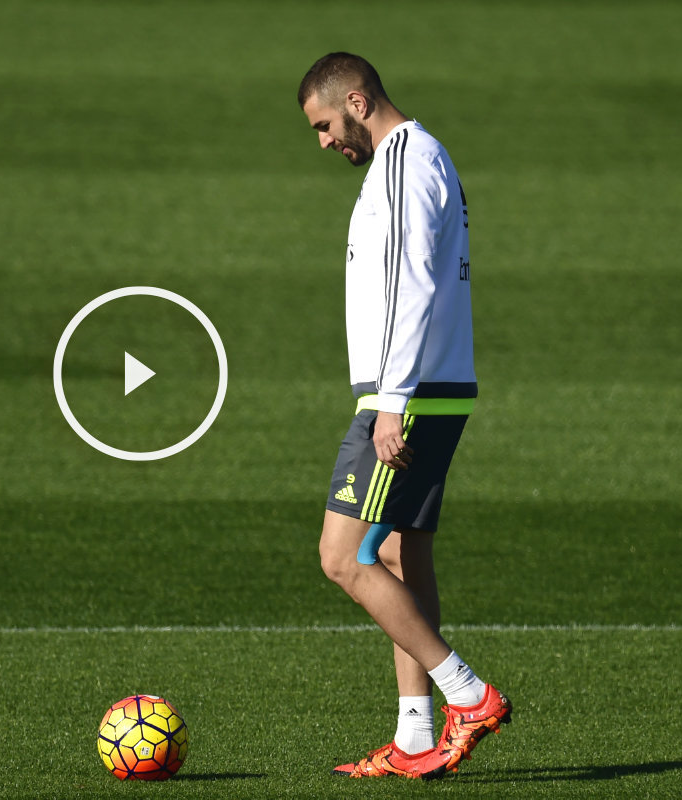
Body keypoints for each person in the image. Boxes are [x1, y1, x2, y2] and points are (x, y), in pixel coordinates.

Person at [296, 52, 511, 780]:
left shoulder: (400, 163)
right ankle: (416, 737)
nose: (325, 142)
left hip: (408, 398)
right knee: (397, 554)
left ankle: (468, 695)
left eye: (325, 125)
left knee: (340, 557)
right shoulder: (428, 157)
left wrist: (389, 406)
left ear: (357, 101)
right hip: (434, 388)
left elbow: (411, 284)